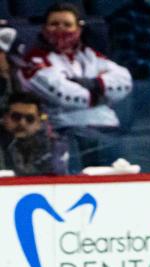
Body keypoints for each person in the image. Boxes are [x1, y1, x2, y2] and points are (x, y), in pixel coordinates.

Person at [17, 3, 132, 169]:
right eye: (54, 24)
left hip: (107, 127)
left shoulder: (90, 56)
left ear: (78, 29)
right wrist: (101, 92)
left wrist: (94, 83)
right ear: (44, 28)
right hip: (65, 130)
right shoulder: (34, 60)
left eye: (67, 24)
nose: (60, 29)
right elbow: (62, 94)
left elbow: (124, 80)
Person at [0, 91, 68, 175]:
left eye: (29, 119)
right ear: (4, 118)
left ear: (38, 123)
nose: (22, 123)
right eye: (16, 117)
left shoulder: (51, 147)